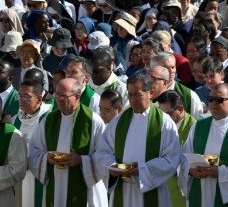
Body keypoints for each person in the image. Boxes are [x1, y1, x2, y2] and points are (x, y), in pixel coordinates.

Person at [94, 73, 182, 206]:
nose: (133, 99)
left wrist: (141, 170)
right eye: (130, 95)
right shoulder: (119, 121)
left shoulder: (164, 122)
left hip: (152, 191)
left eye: (137, 95)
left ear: (151, 93)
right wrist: (112, 166)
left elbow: (171, 159)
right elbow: (103, 150)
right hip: (122, 189)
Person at [178, 83, 228, 206]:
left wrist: (220, 172)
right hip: (200, 193)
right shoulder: (198, 127)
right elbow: (184, 158)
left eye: (219, 100)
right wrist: (190, 170)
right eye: (210, 99)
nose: (213, 103)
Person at [29, 78, 108, 206]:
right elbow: (34, 150)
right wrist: (46, 157)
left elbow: (105, 156)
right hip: (56, 185)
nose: (59, 99)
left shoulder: (93, 121)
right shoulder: (49, 120)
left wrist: (81, 160)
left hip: (85, 189)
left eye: (64, 96)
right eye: (57, 94)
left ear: (77, 97)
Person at [10, 79, 46, 207]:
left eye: (27, 96)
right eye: (20, 95)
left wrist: (31, 160)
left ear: (39, 99)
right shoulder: (15, 120)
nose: (22, 99)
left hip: (41, 177)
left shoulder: (49, 119)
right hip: (19, 177)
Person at [157, 90, 196, 207]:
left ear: (180, 109)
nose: (163, 118)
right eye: (160, 114)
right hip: (161, 184)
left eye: (167, 114)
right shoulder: (160, 125)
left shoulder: (194, 128)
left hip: (182, 188)